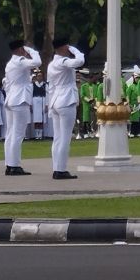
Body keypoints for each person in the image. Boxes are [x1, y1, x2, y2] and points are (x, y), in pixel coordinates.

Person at [47, 38, 85, 179]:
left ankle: (56, 168)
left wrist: (50, 106)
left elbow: (51, 87)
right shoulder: (63, 61)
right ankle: (61, 170)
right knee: (65, 138)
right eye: (67, 46)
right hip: (66, 100)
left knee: (57, 138)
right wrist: (75, 50)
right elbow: (80, 61)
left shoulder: (51, 64)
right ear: (63, 47)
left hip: (56, 101)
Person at [3, 40, 41, 176]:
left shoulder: (10, 63)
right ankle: (14, 165)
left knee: (10, 134)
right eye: (24, 49)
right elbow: (37, 62)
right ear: (20, 49)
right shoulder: (20, 61)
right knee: (18, 134)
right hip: (20, 99)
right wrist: (31, 50)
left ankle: (9, 164)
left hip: (11, 99)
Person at [31, 70, 47, 140]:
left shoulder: (45, 85)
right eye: (38, 76)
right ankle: (36, 134)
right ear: (36, 77)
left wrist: (46, 105)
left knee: (41, 119)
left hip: (42, 101)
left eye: (41, 76)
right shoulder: (33, 85)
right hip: (35, 102)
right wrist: (31, 105)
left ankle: (40, 134)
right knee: (36, 119)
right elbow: (30, 95)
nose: (40, 77)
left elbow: (47, 95)